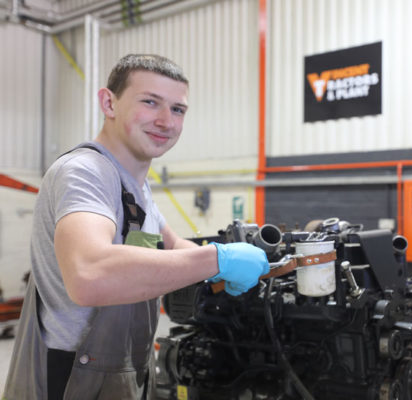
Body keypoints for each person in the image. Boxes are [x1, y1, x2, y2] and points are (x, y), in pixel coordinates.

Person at [2, 54, 269, 400]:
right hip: (70, 380)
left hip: (122, 370)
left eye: (178, 109)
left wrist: (242, 271)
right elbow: (89, 275)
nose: (165, 120)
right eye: (150, 102)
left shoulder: (136, 187)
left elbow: (169, 247)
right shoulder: (84, 172)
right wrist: (219, 260)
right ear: (108, 102)